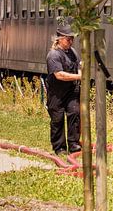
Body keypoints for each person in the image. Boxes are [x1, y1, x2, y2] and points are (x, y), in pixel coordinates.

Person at [46, 22, 82, 155]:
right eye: (68, 39)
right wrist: (79, 77)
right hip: (57, 93)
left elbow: (78, 65)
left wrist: (81, 70)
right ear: (60, 39)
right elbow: (59, 75)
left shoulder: (73, 52)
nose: (71, 42)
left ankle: (74, 144)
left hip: (71, 90)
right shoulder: (53, 55)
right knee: (58, 119)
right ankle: (59, 147)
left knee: (74, 113)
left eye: (72, 39)